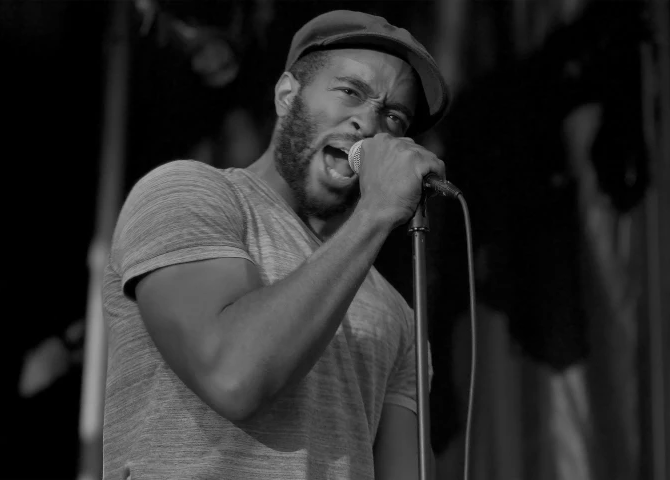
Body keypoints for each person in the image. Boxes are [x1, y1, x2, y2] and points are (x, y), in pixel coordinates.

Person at [102, 10, 450, 480]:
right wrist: (375, 214)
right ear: (288, 95)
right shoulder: (186, 193)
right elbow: (233, 376)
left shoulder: (396, 314)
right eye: (350, 91)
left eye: (394, 115)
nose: (370, 123)